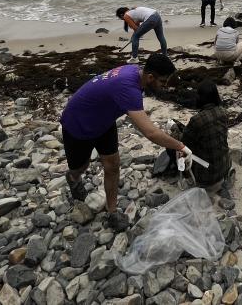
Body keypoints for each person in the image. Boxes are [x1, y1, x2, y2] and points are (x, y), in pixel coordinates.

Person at [59, 53, 192, 230]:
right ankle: (73, 178)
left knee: (113, 165)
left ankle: (112, 212)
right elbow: (150, 133)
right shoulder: (128, 88)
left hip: (104, 121)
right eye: (163, 82)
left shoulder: (135, 72)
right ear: (150, 77)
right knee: (80, 168)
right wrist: (181, 146)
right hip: (78, 124)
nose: (164, 87)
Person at [181, 81, 231, 189]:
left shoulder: (197, 120)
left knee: (174, 148)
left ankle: (187, 177)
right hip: (225, 166)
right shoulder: (224, 112)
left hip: (206, 176)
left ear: (200, 97)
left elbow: (184, 145)